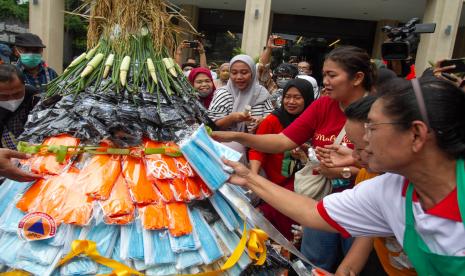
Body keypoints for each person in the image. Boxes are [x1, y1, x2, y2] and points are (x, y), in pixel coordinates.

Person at [224, 77, 465, 275]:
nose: (365, 139)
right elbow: (311, 212)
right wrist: (249, 177)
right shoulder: (389, 189)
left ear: (416, 134)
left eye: (373, 127)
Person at [213, 45, 375, 272]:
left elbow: (386, 172)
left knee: (356, 264)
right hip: (321, 201)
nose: (325, 82)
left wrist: (346, 171)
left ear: (357, 78)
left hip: (365, 207)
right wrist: (238, 136)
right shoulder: (323, 105)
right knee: (315, 263)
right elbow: (282, 141)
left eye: (332, 75)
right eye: (324, 75)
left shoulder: (379, 112)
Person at [318, 96, 415, 276]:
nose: (354, 155)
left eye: (361, 147)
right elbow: (368, 233)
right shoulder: (368, 178)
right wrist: (345, 269)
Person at [249, 78, 315, 240]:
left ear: (307, 99)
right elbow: (257, 148)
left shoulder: (315, 121)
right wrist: (253, 175)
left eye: (297, 97)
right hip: (275, 181)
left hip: (304, 182)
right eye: (288, 96)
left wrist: (304, 154)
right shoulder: (272, 120)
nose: (291, 101)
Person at [208, 54, 273, 133]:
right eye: (234, 73)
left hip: (259, 142)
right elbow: (213, 124)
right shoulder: (222, 94)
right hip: (228, 143)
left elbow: (271, 117)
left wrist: (262, 121)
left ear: (252, 73)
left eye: (244, 72)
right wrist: (232, 118)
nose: (239, 77)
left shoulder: (261, 92)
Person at [0, 64, 40, 150]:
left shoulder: (33, 97)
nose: (12, 100)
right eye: (4, 96)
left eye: (17, 94)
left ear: (24, 86)